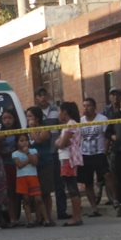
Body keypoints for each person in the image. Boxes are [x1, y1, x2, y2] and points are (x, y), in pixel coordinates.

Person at [35, 87, 68, 220]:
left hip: (55, 150)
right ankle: (42, 214)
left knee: (59, 183)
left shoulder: (55, 110)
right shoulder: (34, 112)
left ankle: (62, 211)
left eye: (44, 95)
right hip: (41, 151)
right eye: (40, 95)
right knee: (42, 184)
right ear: (36, 97)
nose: (42, 98)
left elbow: (61, 128)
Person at [25, 106, 57, 226]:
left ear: (37, 117)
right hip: (33, 163)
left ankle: (48, 216)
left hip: (45, 162)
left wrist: (32, 128)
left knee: (46, 192)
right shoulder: (26, 129)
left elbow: (38, 140)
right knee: (35, 193)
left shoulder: (44, 128)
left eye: (30, 116)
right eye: (27, 116)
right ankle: (39, 217)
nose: (28, 119)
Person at [78, 97, 110, 217]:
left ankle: (115, 200)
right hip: (85, 154)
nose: (86, 108)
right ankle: (94, 208)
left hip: (99, 153)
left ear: (94, 107)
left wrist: (105, 151)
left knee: (107, 176)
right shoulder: (80, 121)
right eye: (84, 105)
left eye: (89, 105)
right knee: (88, 183)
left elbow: (107, 136)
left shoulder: (102, 119)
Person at [54, 102, 84, 226]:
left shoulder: (71, 124)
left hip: (69, 159)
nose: (58, 114)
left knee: (72, 188)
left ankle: (76, 217)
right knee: (71, 187)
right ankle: (77, 216)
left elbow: (61, 143)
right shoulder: (67, 125)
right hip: (66, 158)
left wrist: (58, 142)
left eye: (59, 111)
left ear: (65, 112)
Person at [0, 110, 21, 226]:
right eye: (4, 118)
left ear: (14, 119)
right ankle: (12, 218)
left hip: (19, 165)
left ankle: (22, 216)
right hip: (6, 166)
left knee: (19, 192)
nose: (7, 121)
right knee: (9, 193)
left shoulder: (19, 132)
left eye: (10, 118)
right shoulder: (0, 134)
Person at [12, 134, 44, 226]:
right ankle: (29, 220)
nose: (24, 142)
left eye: (26, 140)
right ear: (17, 143)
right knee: (26, 200)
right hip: (21, 178)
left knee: (38, 199)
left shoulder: (33, 151)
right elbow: (20, 165)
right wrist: (28, 160)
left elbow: (35, 162)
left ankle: (41, 218)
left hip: (33, 176)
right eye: (21, 141)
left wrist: (28, 154)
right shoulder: (15, 154)